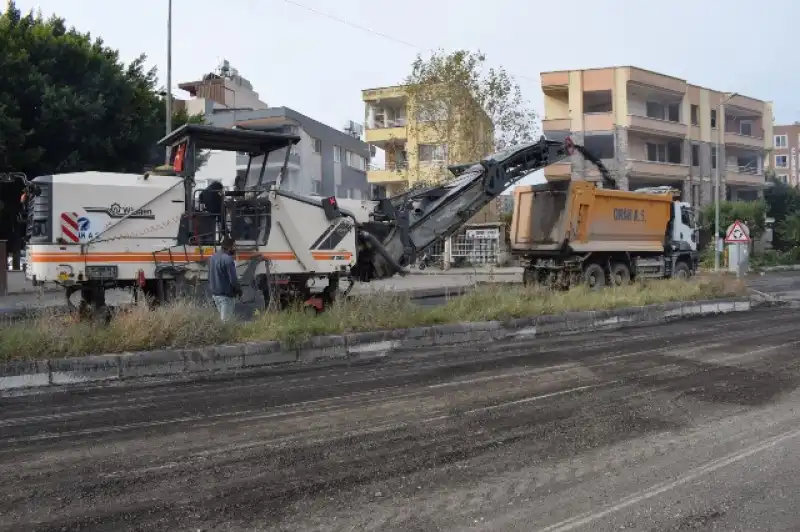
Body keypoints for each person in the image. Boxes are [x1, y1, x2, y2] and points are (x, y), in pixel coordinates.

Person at [208, 237, 242, 321]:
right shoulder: (228, 259)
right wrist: (239, 291)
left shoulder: (213, 257)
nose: (235, 249)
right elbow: (233, 279)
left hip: (215, 294)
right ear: (229, 247)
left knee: (222, 320)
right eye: (234, 246)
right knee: (226, 322)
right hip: (226, 295)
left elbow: (210, 276)